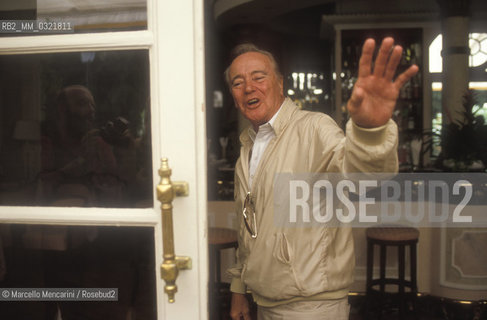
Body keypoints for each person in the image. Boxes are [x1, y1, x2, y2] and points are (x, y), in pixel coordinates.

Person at [226, 38, 419, 320]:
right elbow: (248, 233)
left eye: (258, 77)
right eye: (237, 82)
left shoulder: (314, 128)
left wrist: (370, 131)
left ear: (280, 83)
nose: (248, 88)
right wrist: (238, 288)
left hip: (312, 307)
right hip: (264, 301)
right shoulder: (248, 148)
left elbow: (361, 178)